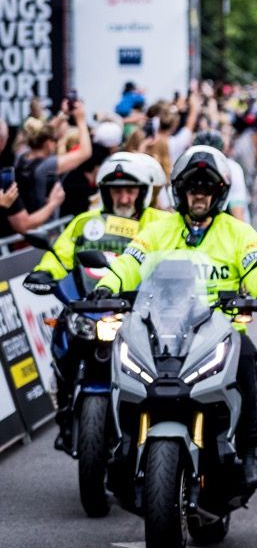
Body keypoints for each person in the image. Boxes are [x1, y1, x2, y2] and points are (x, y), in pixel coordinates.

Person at [93, 146, 257, 490]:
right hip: (161, 329)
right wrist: (107, 286)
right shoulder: (157, 231)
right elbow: (129, 262)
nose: (199, 195)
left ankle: (250, 449)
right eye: (193, 188)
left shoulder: (239, 232)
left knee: (248, 357)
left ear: (218, 193)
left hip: (222, 329)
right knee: (118, 357)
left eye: (206, 188)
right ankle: (118, 445)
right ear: (180, 191)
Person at [25, 153, 169, 452]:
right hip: (92, 310)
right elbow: (60, 254)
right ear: (105, 192)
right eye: (117, 190)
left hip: (144, 313)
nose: (124, 197)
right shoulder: (86, 222)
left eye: (131, 190)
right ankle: (65, 412)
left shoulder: (163, 223)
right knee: (63, 339)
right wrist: (43, 272)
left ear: (144, 192)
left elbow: (187, 258)